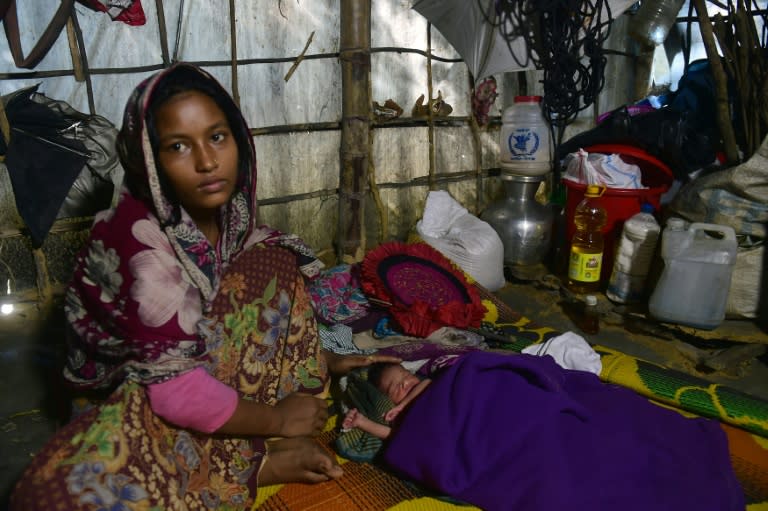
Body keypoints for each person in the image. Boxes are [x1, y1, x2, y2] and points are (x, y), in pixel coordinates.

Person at [9, 62, 398, 510]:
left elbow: (227, 304)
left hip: (191, 366)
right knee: (69, 495)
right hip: (130, 395)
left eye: (217, 137)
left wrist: (320, 357)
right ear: (149, 158)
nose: (208, 161)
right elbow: (174, 395)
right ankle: (252, 460)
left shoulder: (229, 215)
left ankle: (255, 429)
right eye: (178, 146)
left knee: (275, 263)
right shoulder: (134, 241)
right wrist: (279, 420)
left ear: (238, 138)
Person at [342, 362, 430, 439]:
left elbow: (427, 382)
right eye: (395, 387)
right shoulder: (400, 416)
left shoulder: (425, 388)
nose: (405, 383)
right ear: (389, 400)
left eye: (406, 375)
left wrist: (402, 405)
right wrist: (362, 422)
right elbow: (397, 436)